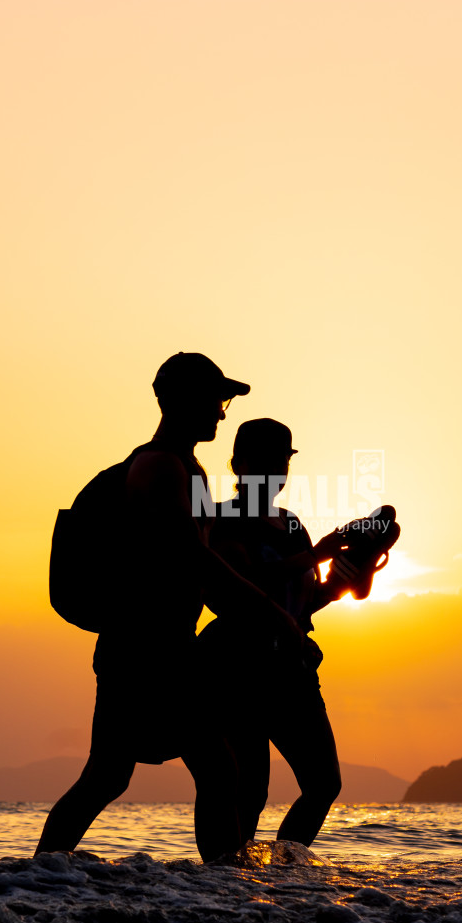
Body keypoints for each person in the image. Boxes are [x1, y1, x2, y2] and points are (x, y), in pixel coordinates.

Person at [35, 355, 299, 862]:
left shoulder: (188, 468)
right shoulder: (158, 467)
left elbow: (202, 570)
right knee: (206, 770)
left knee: (113, 775)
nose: (222, 415)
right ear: (178, 400)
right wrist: (273, 612)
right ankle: (223, 890)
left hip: (164, 647)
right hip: (145, 650)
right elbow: (190, 556)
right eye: (215, 400)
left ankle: (40, 879)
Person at [197, 418, 350, 848]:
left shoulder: (293, 525)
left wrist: (337, 586)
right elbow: (239, 584)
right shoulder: (221, 521)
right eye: (263, 460)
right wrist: (316, 555)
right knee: (248, 792)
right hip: (236, 667)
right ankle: (223, 885)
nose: (275, 470)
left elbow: (298, 605)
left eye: (281, 461)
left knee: (323, 784)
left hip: (293, 667)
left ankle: (283, 875)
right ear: (238, 465)